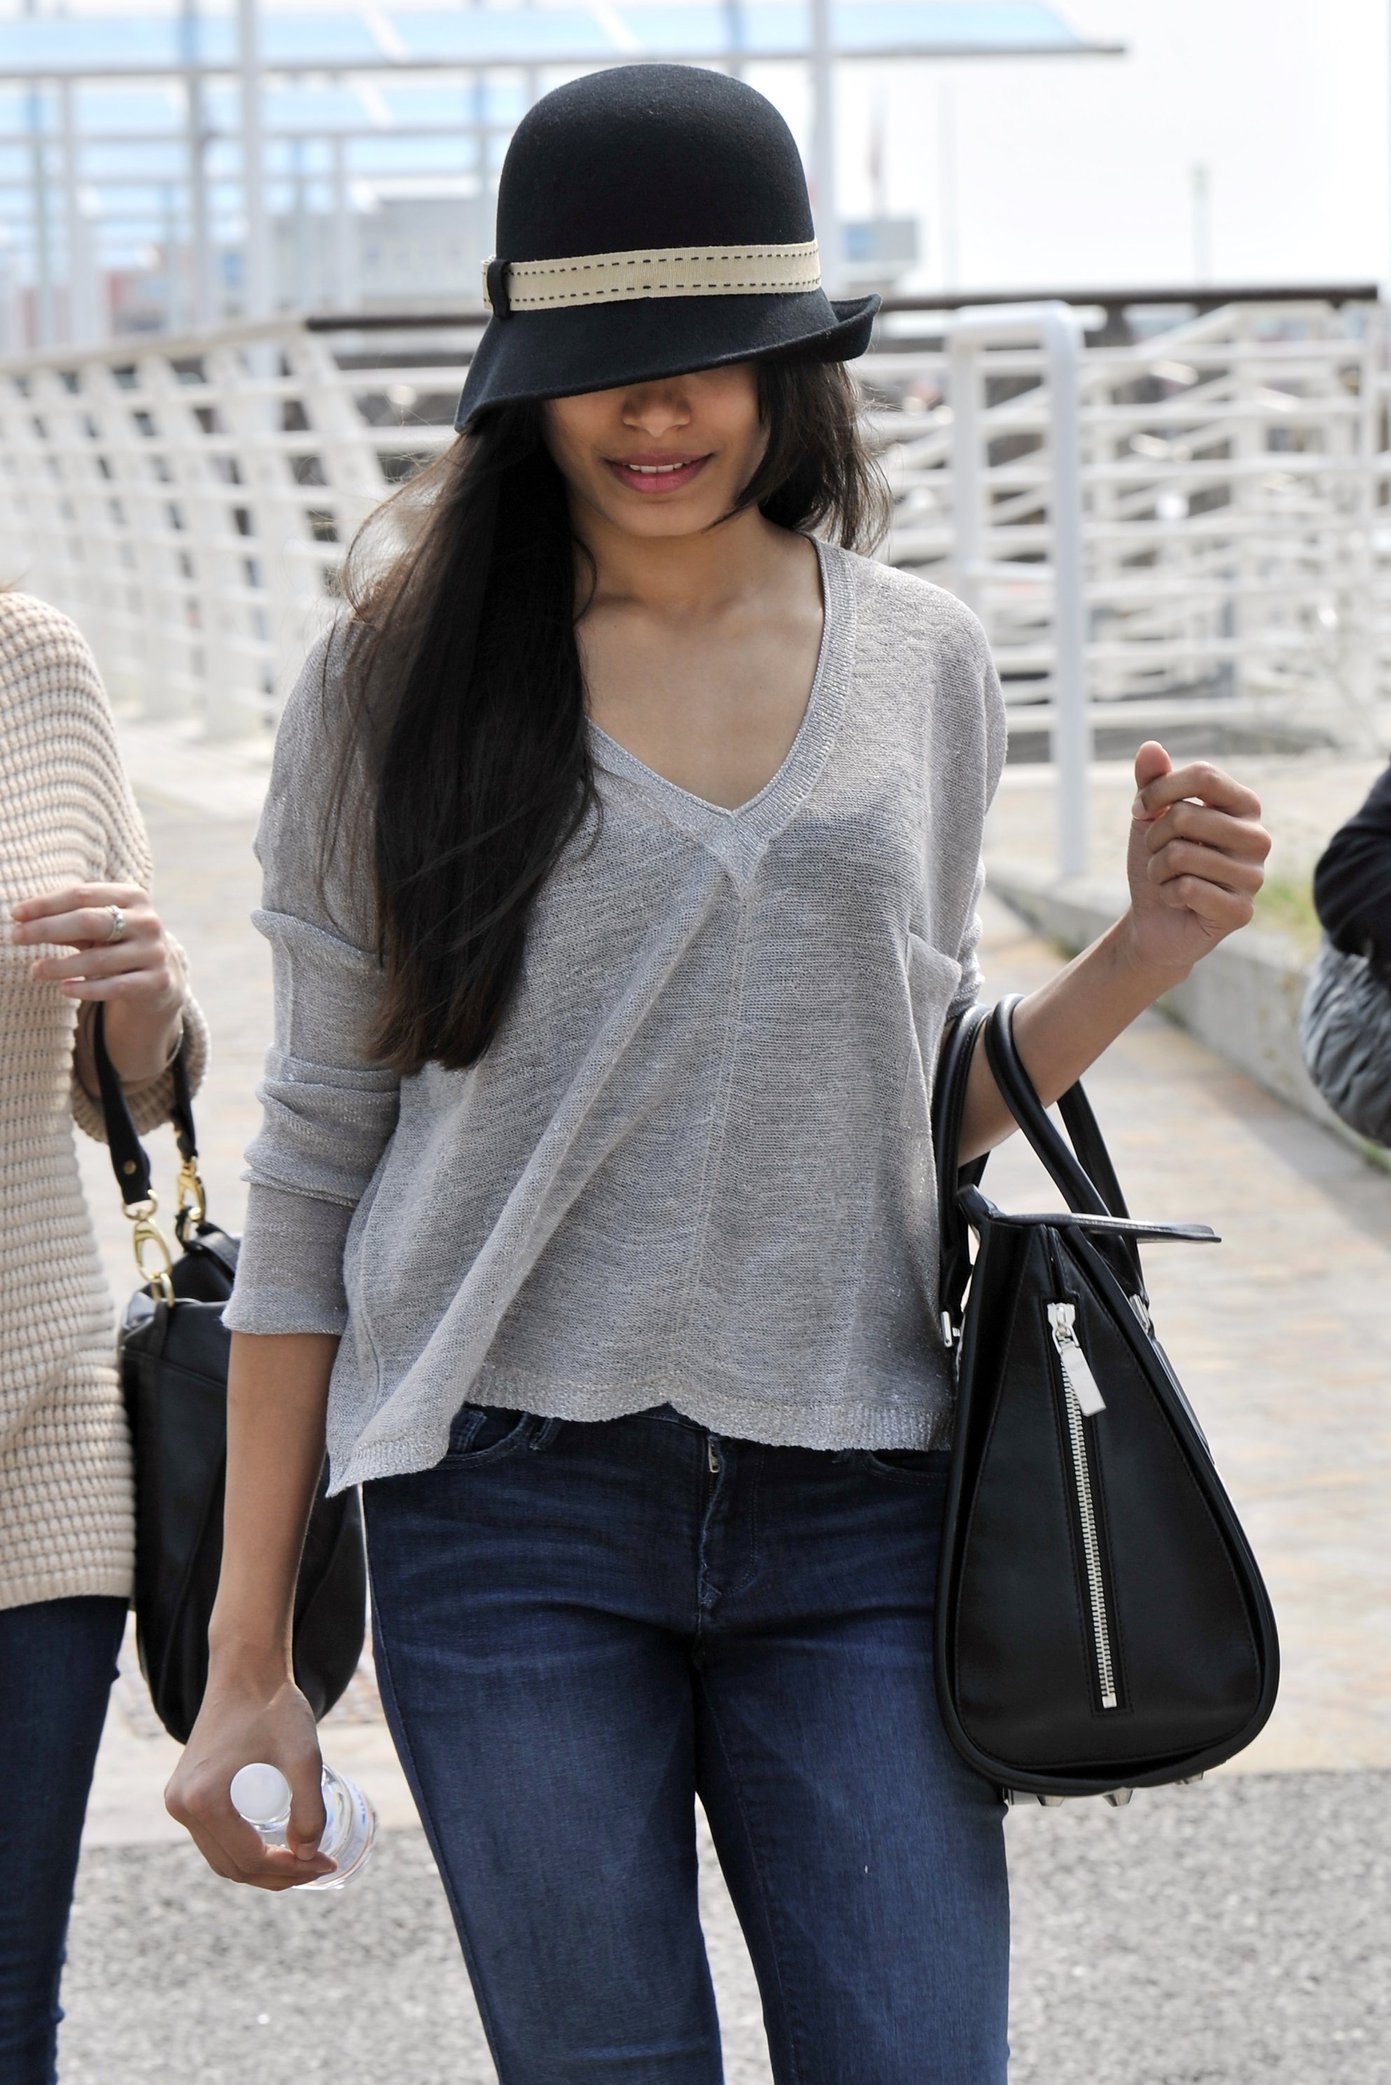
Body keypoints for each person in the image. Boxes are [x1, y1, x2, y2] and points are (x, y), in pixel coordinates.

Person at [166, 65, 1271, 2085]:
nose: (653, 412)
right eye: (601, 364)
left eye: (707, 359)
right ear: (525, 373)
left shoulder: (923, 658)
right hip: (504, 1506)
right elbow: (316, 1169)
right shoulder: (391, 681)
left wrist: (1141, 952)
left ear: (791, 364)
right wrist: (251, 1663)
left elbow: (891, 1112)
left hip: (857, 1492)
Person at [0, 588, 210, 2082]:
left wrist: (148, 999)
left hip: (37, 1437)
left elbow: (126, 1095)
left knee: (10, 2014)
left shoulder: (32, 662)